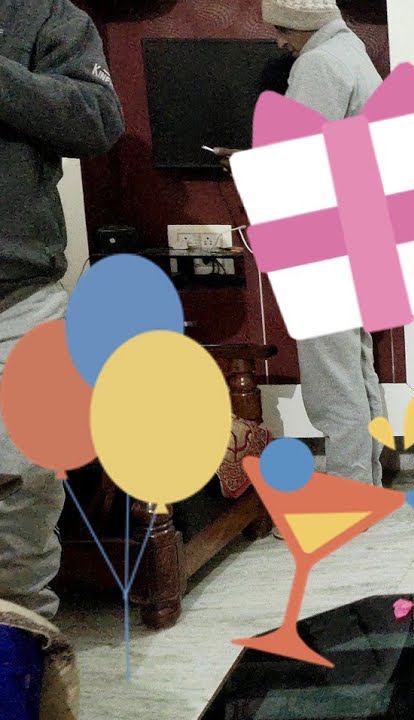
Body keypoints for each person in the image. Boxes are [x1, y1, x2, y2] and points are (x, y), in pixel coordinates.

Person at [0, 0, 123, 715]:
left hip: (17, 303)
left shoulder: (48, 16)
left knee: (21, 508)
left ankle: (20, 690)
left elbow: (98, 121)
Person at [223, 0, 387, 486]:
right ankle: (366, 480)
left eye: (282, 28)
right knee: (356, 368)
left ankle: (349, 490)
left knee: (332, 383)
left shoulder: (319, 65)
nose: (279, 41)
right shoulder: (353, 53)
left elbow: (294, 164)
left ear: (302, 21)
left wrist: (245, 164)